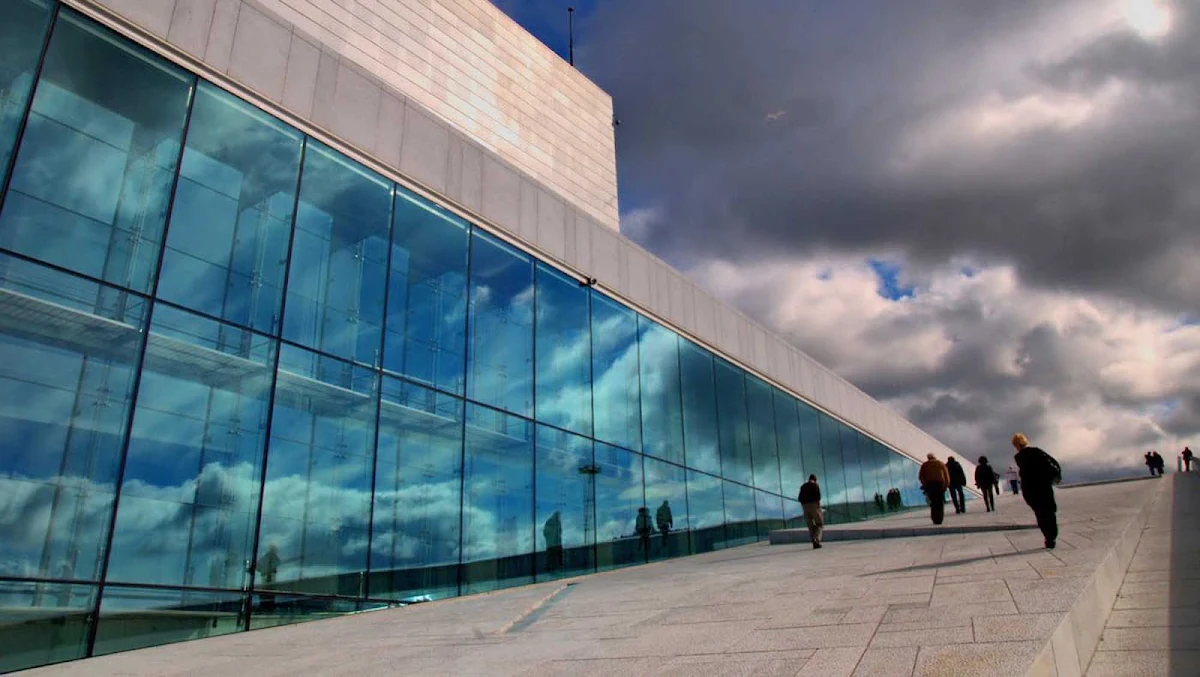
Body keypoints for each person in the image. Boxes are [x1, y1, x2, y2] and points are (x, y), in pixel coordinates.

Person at [1012, 433, 1062, 549]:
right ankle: (1051, 538)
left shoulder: (1018, 457)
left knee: (1040, 513)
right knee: (1049, 511)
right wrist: (1054, 477)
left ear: (1016, 445)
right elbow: (1051, 464)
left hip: (1030, 489)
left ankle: (1048, 537)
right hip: (1043, 486)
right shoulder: (1036, 451)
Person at [918, 454, 951, 525]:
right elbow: (946, 476)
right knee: (940, 502)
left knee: (933, 502)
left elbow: (920, 477)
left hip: (930, 484)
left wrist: (925, 485)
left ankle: (934, 518)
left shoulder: (925, 465)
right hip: (939, 484)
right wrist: (945, 486)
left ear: (928, 458)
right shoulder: (940, 464)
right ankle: (940, 518)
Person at [798, 474, 824, 549]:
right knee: (819, 524)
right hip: (813, 506)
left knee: (810, 525)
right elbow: (818, 498)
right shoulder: (815, 485)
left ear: (809, 479)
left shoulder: (803, 486)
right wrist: (819, 508)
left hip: (804, 507)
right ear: (815, 480)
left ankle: (813, 540)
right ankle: (816, 539)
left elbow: (799, 498)